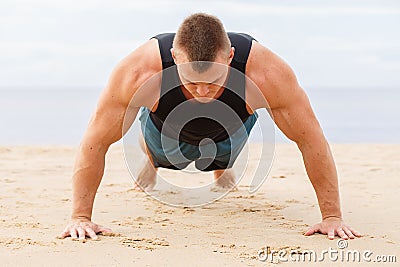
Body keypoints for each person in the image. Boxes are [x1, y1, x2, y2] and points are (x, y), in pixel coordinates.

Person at [58, 13, 362, 241]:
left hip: (231, 130)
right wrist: (80, 217)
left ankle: (220, 165)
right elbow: (94, 142)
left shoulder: (267, 73)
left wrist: (332, 216)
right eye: (191, 81)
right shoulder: (139, 72)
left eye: (213, 80)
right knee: (163, 152)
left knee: (222, 155)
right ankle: (152, 159)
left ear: (229, 57)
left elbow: (311, 140)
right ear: (174, 58)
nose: (202, 92)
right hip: (164, 130)